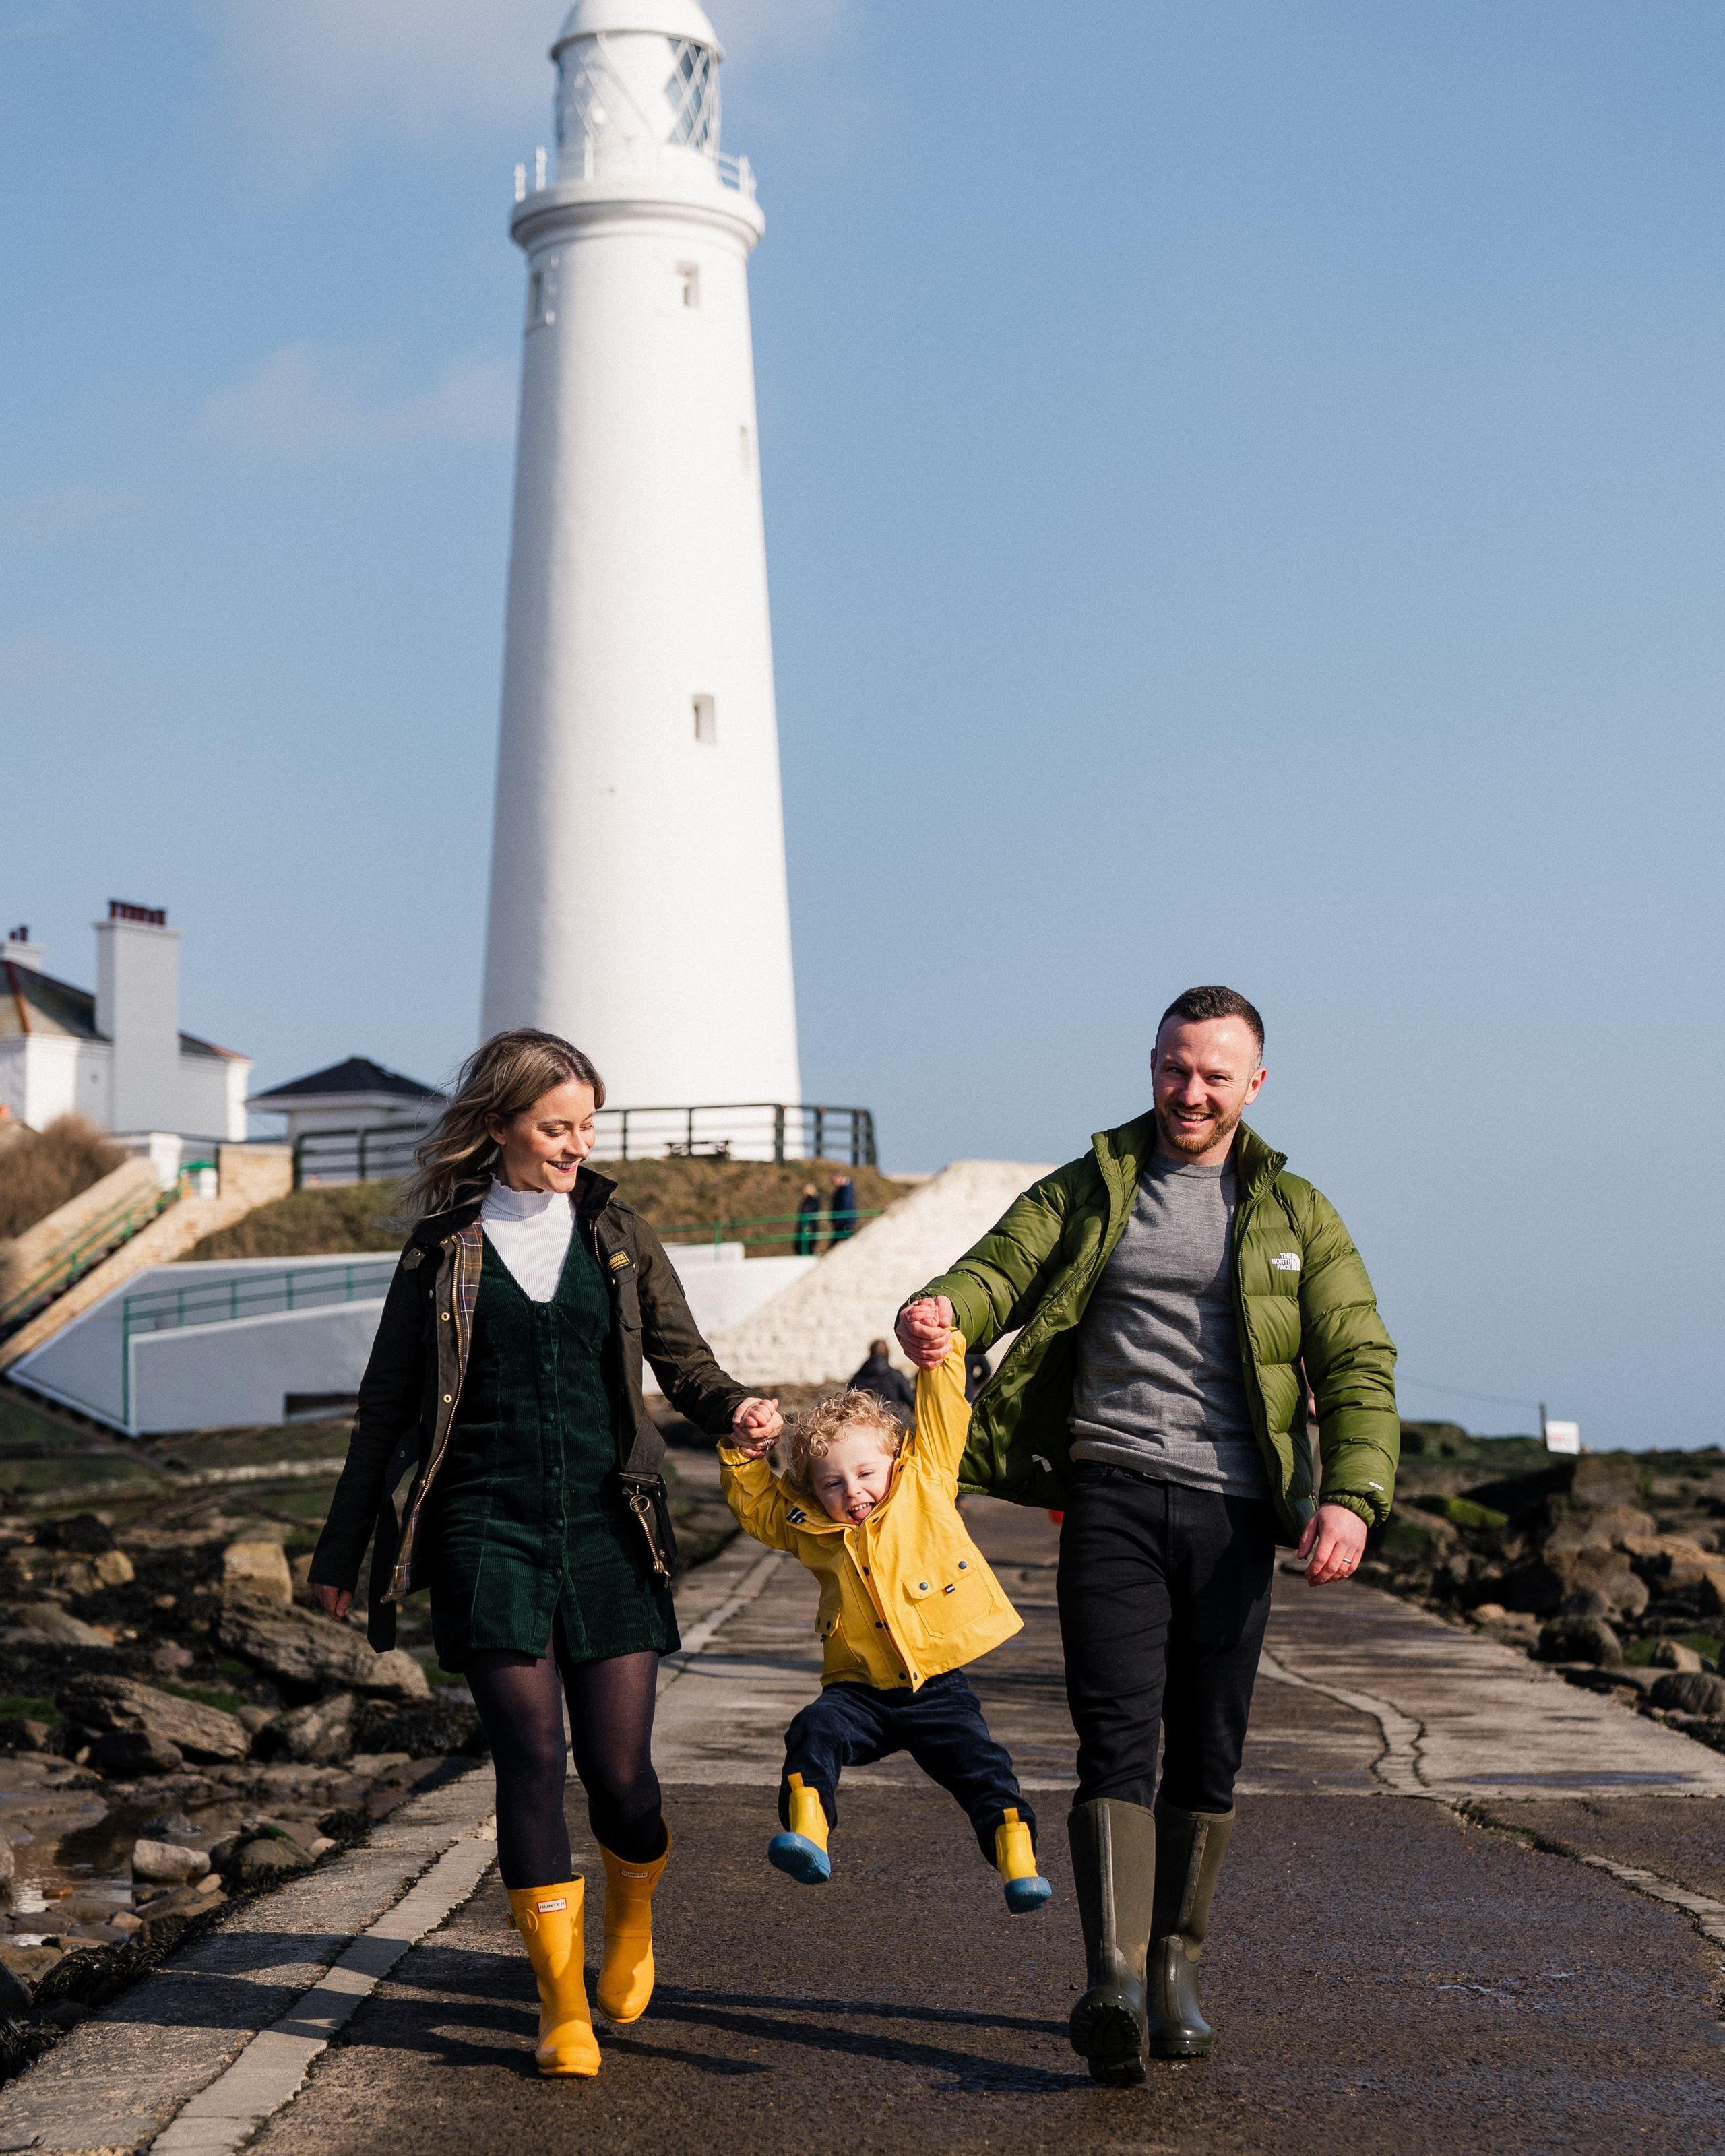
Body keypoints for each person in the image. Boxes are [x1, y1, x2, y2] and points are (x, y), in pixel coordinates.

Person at [896, 986, 1397, 2086]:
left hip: (1229, 1512)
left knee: (1208, 1747)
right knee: (1114, 1735)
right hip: (1112, 1492)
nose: (1191, 1091)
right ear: (1153, 1064)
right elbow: (1000, 1264)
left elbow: (1358, 1357)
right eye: (1176, 1068)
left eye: (1216, 1074)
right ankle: (1112, 1981)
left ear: (1254, 1085)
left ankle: (1174, 1969)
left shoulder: (1295, 1211)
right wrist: (946, 1309)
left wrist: (1352, 1497)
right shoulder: (1094, 1186)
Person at [309, 1029, 782, 2081]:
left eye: (587, 1127)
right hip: (485, 1525)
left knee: (620, 1778)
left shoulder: (615, 1231)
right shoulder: (443, 1247)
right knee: (528, 1758)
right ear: (500, 1128)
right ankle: (560, 2002)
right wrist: (341, 1549)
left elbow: (684, 1362)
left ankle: (633, 1910)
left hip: (613, 1524)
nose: (577, 1146)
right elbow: (387, 1407)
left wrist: (737, 1409)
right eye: (556, 1127)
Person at [719, 1340, 1051, 1913]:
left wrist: (940, 1357)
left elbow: (946, 1415)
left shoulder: (926, 1481)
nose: (853, 1492)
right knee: (812, 1731)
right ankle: (809, 1833)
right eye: (832, 1483)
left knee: (985, 1772)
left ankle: (1018, 1862)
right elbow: (759, 1509)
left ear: (894, 1459)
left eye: (866, 1472)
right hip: (859, 1691)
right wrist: (746, 1452)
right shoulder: (808, 1524)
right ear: (813, 1490)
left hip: (936, 1688)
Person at [848, 1337, 917, 1421]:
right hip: (891, 1423)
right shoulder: (895, 1375)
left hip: (864, 1423)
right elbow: (913, 1402)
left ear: (870, 1353)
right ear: (888, 1354)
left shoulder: (858, 1377)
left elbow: (850, 1402)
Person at [828, 1170, 857, 1240]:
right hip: (842, 1220)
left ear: (839, 1178)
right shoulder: (843, 1189)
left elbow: (845, 1205)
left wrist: (838, 1219)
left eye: (834, 1181)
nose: (834, 1183)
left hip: (844, 1221)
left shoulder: (846, 1189)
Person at [794, 1182, 821, 1256]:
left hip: (808, 1227)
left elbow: (810, 1215)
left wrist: (809, 1227)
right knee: (800, 1246)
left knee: (806, 1246)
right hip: (805, 1226)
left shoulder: (812, 1202)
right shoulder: (809, 1202)